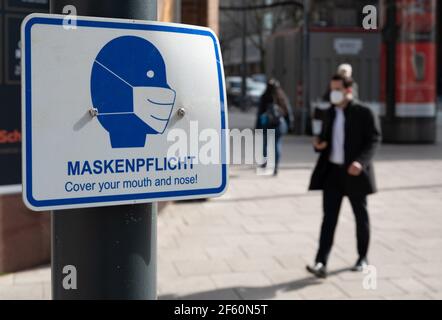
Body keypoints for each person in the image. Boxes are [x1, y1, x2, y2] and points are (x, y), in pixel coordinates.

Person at [306, 74, 380, 278]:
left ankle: (362, 257)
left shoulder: (364, 112)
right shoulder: (329, 112)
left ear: (348, 90)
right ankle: (321, 261)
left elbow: (374, 139)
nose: (333, 93)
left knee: (360, 216)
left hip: (355, 173)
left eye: (337, 89)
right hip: (333, 173)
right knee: (328, 218)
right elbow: (324, 139)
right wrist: (319, 144)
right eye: (332, 89)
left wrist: (360, 162)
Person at [256, 79, 293, 176]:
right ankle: (276, 167)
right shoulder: (281, 97)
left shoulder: (264, 97)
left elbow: (259, 113)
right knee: (277, 145)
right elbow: (288, 112)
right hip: (278, 126)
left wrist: (257, 127)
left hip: (266, 125)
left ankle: (265, 162)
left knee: (265, 145)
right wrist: (290, 125)